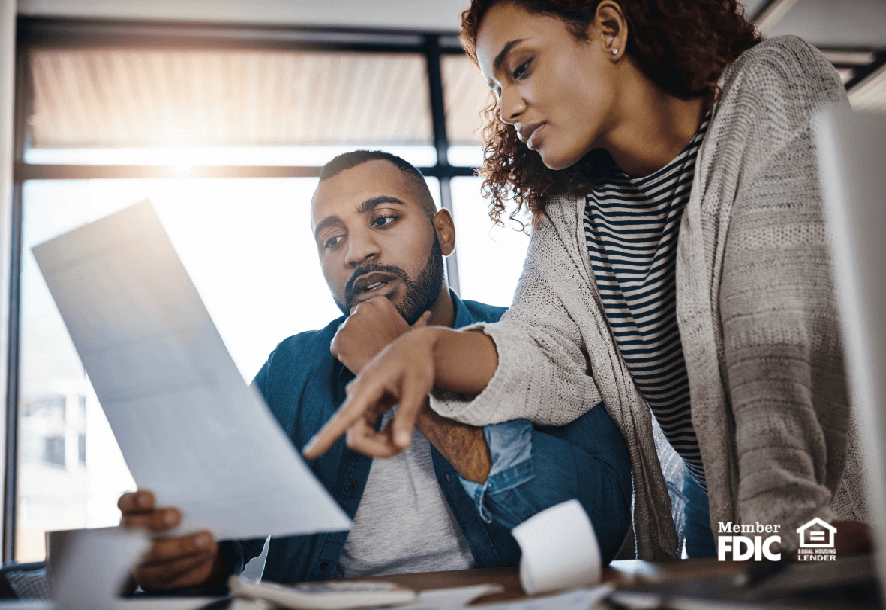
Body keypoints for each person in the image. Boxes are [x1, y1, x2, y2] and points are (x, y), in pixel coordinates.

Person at [303, 2, 870, 560]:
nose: (506, 110)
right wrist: (427, 348)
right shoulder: (576, 211)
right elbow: (538, 346)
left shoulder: (771, 83)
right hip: (717, 507)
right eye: (497, 89)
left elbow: (773, 328)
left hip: (826, 504)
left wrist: (776, 526)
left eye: (520, 68)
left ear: (609, 28)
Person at [118, 150, 632, 591]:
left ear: (444, 233)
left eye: (383, 219)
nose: (357, 252)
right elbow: (224, 542)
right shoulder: (292, 369)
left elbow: (598, 527)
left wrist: (408, 371)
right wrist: (187, 559)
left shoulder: (530, 337)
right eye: (332, 240)